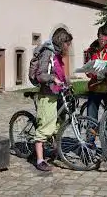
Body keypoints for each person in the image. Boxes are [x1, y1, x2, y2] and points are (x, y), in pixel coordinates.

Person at [34, 28, 73, 172]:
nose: (68, 47)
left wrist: (68, 82)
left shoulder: (57, 55)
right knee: (45, 126)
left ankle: (57, 152)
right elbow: (40, 75)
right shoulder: (47, 53)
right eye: (67, 43)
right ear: (62, 42)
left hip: (57, 94)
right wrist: (52, 78)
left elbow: (61, 74)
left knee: (59, 125)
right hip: (47, 95)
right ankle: (39, 160)